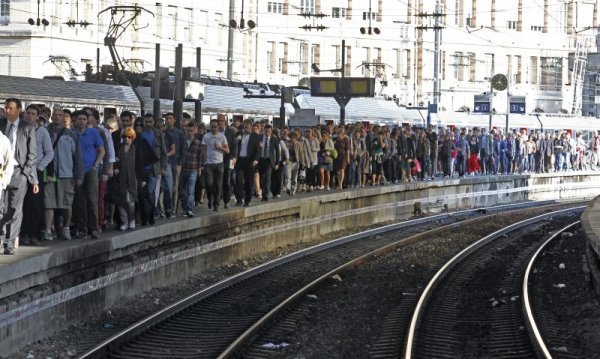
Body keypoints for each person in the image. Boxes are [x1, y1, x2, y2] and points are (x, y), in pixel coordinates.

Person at [0, 98, 37, 254]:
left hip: (18, 171)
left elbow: (32, 153)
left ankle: (9, 242)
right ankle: (2, 238)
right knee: (2, 207)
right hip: (2, 171)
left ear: (19, 110)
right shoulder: (1, 124)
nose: (8, 111)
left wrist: (25, 173)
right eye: (6, 108)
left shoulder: (27, 127)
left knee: (15, 208)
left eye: (11, 108)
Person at [43, 107, 83, 240]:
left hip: (66, 173)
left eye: (59, 115)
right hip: (49, 173)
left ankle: (66, 228)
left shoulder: (71, 134)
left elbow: (77, 156)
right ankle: (48, 229)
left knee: (66, 203)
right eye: (54, 115)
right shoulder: (46, 132)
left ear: (64, 117)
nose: (56, 117)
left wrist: (78, 175)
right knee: (49, 202)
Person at [21, 104, 53, 244]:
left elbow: (50, 153)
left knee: (36, 204)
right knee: (22, 204)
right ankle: (23, 233)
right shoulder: (20, 129)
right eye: (28, 113)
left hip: (36, 171)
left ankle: (34, 234)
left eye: (33, 114)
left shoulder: (42, 132)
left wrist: (40, 167)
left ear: (37, 116)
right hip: (22, 171)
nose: (30, 116)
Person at [72, 110, 104, 239]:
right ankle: (83, 228)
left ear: (88, 121)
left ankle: (94, 228)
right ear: (75, 120)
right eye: (79, 119)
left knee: (92, 200)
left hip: (90, 170)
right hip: (77, 171)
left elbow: (102, 150)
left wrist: (96, 164)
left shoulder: (93, 133)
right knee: (80, 201)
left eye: (84, 119)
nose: (81, 121)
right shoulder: (71, 133)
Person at [114, 127, 142, 230]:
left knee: (130, 201)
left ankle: (132, 219)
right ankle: (124, 221)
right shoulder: (118, 148)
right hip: (119, 179)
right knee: (120, 201)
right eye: (125, 136)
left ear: (132, 137)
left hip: (132, 178)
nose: (127, 139)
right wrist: (115, 167)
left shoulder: (136, 149)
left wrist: (142, 179)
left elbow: (140, 164)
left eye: (129, 137)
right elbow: (114, 160)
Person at [201, 119, 229, 211]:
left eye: (215, 126)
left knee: (218, 185)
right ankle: (210, 199)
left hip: (219, 163)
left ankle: (216, 204)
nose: (214, 128)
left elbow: (227, 150)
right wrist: (204, 162)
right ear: (210, 127)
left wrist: (220, 147)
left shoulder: (222, 137)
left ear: (218, 127)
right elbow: (203, 149)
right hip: (209, 163)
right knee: (209, 184)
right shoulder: (206, 136)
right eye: (212, 126)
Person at [234, 119, 260, 206]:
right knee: (239, 180)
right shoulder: (239, 135)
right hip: (240, 160)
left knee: (249, 182)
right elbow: (234, 147)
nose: (246, 129)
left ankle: (247, 200)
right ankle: (239, 200)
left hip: (250, 161)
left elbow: (257, 149)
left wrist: (256, 160)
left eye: (248, 128)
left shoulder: (255, 136)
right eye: (245, 127)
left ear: (251, 127)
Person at [179, 122, 203, 217]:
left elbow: (200, 157)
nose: (189, 133)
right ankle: (185, 207)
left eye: (191, 131)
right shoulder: (182, 142)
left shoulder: (197, 143)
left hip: (193, 169)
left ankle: (189, 209)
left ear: (195, 131)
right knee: (181, 190)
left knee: (190, 190)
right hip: (182, 169)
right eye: (188, 131)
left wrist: (199, 168)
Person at [217, 114, 238, 208]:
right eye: (218, 121)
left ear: (225, 121)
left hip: (227, 159)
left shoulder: (230, 132)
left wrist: (234, 157)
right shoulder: (214, 132)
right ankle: (216, 201)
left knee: (227, 180)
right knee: (216, 181)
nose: (219, 123)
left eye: (221, 121)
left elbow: (234, 146)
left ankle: (226, 200)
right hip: (216, 159)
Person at [257, 124, 280, 201]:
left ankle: (266, 195)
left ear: (271, 131)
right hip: (261, 160)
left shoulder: (274, 139)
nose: (267, 133)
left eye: (269, 131)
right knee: (261, 178)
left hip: (269, 161)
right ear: (264, 131)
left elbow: (277, 151)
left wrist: (277, 163)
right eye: (266, 131)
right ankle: (263, 192)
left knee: (267, 178)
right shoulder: (260, 137)